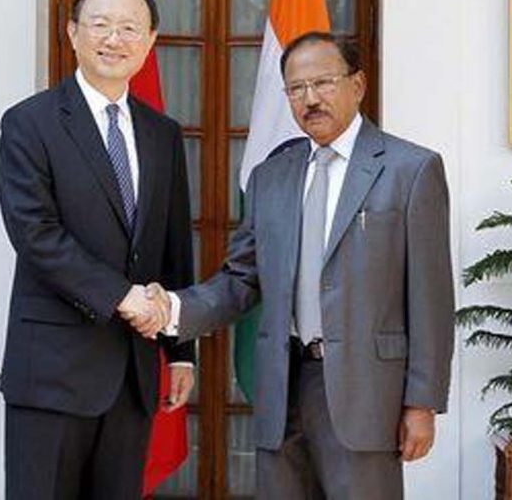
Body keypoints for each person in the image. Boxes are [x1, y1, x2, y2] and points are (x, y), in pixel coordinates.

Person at [145, 31, 454, 499]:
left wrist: (422, 402)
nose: (310, 99)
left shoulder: (410, 169)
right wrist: (172, 308)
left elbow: (431, 297)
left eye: (324, 83)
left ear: (358, 84)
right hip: (282, 384)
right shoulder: (271, 177)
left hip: (366, 394)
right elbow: (241, 279)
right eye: (296, 89)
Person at [0, 0, 195, 500]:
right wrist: (121, 295)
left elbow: (173, 245)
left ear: (150, 41)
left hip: (132, 376)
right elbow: (35, 235)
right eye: (101, 25)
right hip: (52, 374)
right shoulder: (29, 123)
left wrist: (180, 352)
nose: (115, 39)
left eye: (130, 28)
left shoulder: (162, 134)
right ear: (72, 34)